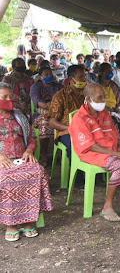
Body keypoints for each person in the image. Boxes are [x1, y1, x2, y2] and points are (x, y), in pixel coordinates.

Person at [69, 84, 120, 222]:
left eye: (104, 97)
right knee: (119, 165)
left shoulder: (105, 114)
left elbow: (115, 137)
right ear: (88, 99)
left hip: (112, 151)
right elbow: (92, 146)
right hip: (92, 153)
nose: (103, 100)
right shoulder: (80, 118)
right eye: (99, 97)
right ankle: (107, 206)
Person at [0, 83, 53, 241]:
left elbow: (31, 137)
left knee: (37, 173)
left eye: (11, 96)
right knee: (6, 179)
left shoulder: (18, 115)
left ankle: (29, 221)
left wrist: (29, 150)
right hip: (2, 161)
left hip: (21, 158)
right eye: (4, 97)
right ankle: (11, 224)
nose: (9, 99)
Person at [49, 65, 88, 160]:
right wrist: (71, 128)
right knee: (76, 145)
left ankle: (96, 173)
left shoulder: (87, 94)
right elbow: (52, 122)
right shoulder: (60, 96)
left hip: (87, 129)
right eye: (81, 77)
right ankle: (77, 173)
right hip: (67, 131)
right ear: (71, 79)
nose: (84, 79)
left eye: (84, 76)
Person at [29, 67, 64, 163]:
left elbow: (65, 100)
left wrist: (54, 106)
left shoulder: (59, 87)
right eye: (46, 74)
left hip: (58, 113)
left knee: (66, 123)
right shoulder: (36, 87)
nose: (49, 76)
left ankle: (61, 153)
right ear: (41, 77)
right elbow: (38, 102)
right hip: (41, 114)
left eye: (50, 74)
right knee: (45, 123)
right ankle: (43, 155)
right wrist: (49, 105)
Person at [97, 63, 120, 142]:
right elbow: (95, 103)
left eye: (111, 71)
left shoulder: (114, 85)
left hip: (115, 109)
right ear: (101, 73)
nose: (110, 73)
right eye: (107, 71)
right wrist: (107, 109)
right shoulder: (97, 86)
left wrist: (119, 107)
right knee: (112, 120)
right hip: (102, 110)